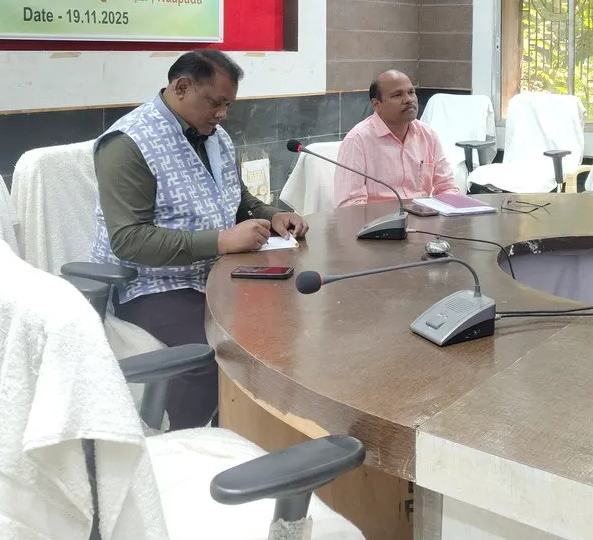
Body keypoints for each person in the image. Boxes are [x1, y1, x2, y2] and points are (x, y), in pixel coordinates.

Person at [92, 50, 308, 428]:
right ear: (181, 87)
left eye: (228, 104)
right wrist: (222, 241)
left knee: (282, 328)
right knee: (215, 353)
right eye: (215, 102)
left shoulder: (215, 137)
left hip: (215, 274)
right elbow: (128, 240)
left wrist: (274, 216)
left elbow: (238, 199)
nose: (222, 113)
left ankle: (250, 434)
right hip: (151, 286)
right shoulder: (128, 144)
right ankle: (183, 442)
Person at [334, 70, 457, 207]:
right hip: (381, 224)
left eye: (411, 92)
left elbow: (447, 187)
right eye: (398, 95)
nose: (409, 100)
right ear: (376, 105)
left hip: (424, 221)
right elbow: (351, 205)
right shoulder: (358, 140)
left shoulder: (427, 134)